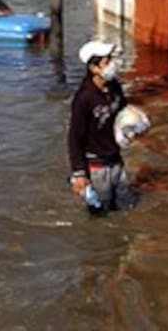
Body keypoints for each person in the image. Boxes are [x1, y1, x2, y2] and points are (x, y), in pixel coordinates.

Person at [67, 40, 136, 213]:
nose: (113, 65)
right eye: (107, 62)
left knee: (126, 205)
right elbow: (75, 137)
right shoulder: (84, 98)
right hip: (96, 166)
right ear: (94, 68)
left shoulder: (114, 87)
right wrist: (79, 174)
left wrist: (135, 125)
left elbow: (123, 112)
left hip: (115, 159)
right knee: (101, 213)